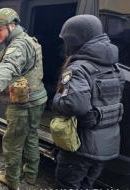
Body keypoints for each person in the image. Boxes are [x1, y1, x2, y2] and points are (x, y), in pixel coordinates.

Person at [0, 8, 47, 190]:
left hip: (23, 103)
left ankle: (11, 178)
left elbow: (9, 66)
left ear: (12, 26)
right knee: (31, 135)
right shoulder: (29, 40)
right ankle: (31, 174)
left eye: (0, 29)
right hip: (38, 99)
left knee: (13, 141)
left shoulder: (18, 46)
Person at [53, 14, 125, 189]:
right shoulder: (114, 67)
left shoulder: (78, 68)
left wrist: (56, 99)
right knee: (87, 185)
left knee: (67, 185)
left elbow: (74, 104)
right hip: (107, 144)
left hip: (81, 147)